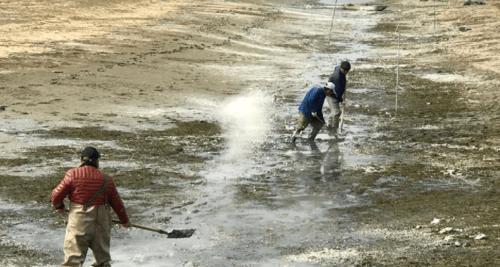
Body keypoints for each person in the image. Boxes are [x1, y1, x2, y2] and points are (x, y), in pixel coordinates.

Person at [51, 146, 130, 267]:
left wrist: (59, 206)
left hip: (79, 221)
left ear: (81, 160)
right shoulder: (107, 179)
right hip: (101, 221)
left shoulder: (73, 174)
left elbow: (56, 195)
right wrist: (124, 221)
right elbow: (117, 203)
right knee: (103, 261)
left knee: (73, 260)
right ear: (97, 161)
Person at [327, 60, 351, 133]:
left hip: (332, 91)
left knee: (335, 112)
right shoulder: (337, 78)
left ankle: (329, 125)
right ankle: (335, 129)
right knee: (336, 112)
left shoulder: (338, 68)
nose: (346, 72)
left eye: (347, 71)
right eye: (345, 71)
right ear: (341, 69)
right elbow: (337, 93)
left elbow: (336, 67)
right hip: (331, 95)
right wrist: (341, 100)